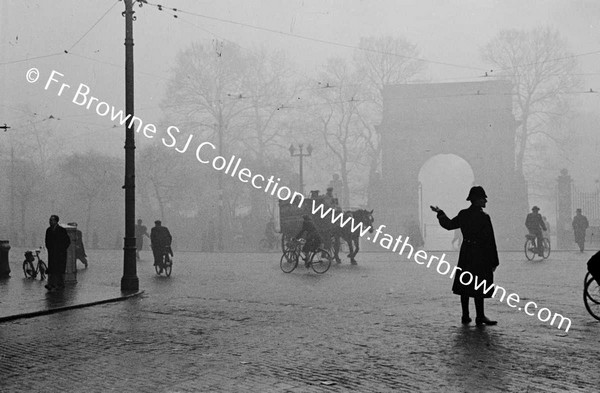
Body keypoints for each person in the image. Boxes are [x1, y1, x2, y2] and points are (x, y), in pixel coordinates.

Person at [431, 186, 499, 326]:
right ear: (477, 200)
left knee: (465, 284)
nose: (485, 201)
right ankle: (480, 316)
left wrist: (440, 213)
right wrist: (493, 261)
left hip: (467, 252)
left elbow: (449, 225)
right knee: (479, 285)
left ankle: (465, 315)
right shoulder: (483, 217)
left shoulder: (464, 214)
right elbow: (490, 240)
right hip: (480, 253)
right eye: (483, 198)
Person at [45, 215, 71, 291]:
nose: (50, 222)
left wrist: (62, 249)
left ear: (56, 221)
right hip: (52, 253)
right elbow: (47, 241)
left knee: (59, 269)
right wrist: (49, 248)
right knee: (52, 269)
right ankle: (51, 284)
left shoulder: (62, 230)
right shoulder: (48, 230)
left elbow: (67, 241)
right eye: (49, 220)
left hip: (60, 254)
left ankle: (60, 284)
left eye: (51, 220)